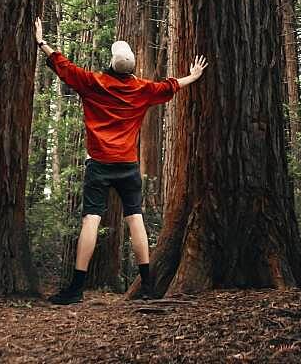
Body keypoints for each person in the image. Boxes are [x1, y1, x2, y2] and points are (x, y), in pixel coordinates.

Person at [35, 17, 207, 304]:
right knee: (135, 218)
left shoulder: (94, 83)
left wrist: (41, 42)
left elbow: (63, 66)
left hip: (99, 164)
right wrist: (193, 75)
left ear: (112, 63)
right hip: (128, 166)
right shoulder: (141, 89)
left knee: (91, 219)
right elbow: (170, 86)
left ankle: (76, 288)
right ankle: (149, 287)